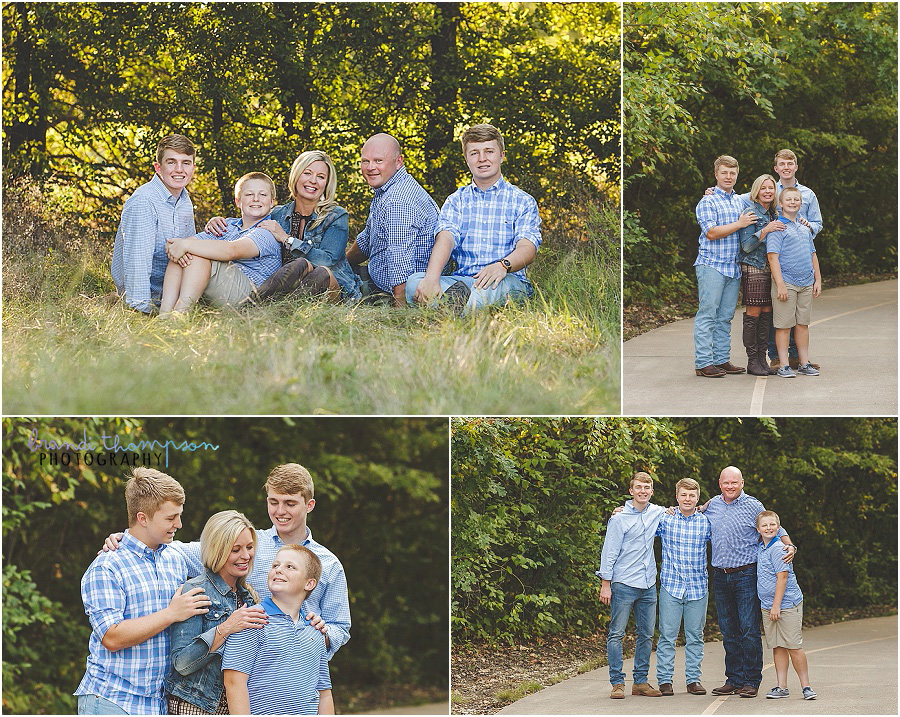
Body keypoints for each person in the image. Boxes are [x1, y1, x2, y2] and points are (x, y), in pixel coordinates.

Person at [102, 463, 350, 660]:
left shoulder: (328, 564)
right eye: (273, 502)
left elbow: (341, 627)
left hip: (298, 674)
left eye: (290, 503)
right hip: (241, 678)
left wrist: (324, 632)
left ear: (310, 505)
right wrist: (126, 538)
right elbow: (174, 550)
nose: (280, 511)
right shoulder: (247, 545)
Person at [74, 468, 212, 715]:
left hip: (157, 704)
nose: (178, 524)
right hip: (111, 700)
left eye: (179, 516)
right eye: (171, 518)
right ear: (143, 518)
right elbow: (112, 637)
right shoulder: (107, 566)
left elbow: (229, 550)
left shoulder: (176, 557)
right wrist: (171, 614)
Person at [406, 124, 542, 314]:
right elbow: (445, 239)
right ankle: (459, 307)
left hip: (507, 281)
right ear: (466, 159)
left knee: (481, 296)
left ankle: (448, 309)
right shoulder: (456, 200)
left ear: (501, 155)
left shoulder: (522, 201)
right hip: (464, 280)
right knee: (414, 284)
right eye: (474, 153)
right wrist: (432, 278)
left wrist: (503, 266)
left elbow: (528, 249)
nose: (482, 159)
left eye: (489, 151)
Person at [206, 151, 362, 302]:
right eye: (307, 173)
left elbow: (328, 260)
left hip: (333, 288)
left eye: (320, 177)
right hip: (286, 286)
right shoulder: (278, 214)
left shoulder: (336, 216)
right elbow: (249, 224)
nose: (313, 181)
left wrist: (287, 239)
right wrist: (222, 222)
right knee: (300, 264)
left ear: (327, 183)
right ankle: (257, 308)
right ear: (296, 175)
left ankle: (278, 311)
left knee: (318, 270)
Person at [705, 466, 796, 699]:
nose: (730, 486)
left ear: (742, 483)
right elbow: (689, 510)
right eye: (726, 483)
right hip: (720, 575)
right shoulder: (712, 504)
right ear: (719, 483)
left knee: (748, 629)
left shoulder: (753, 505)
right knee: (728, 629)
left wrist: (790, 545)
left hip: (746, 574)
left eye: (734, 482)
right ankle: (733, 679)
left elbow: (775, 525)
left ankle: (751, 680)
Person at [165, 511, 269, 715]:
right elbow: (182, 664)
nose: (246, 556)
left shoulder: (248, 597)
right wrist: (227, 627)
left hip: (234, 707)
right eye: (236, 550)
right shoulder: (196, 591)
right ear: (218, 550)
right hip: (195, 706)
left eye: (249, 547)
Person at [222, 545, 334, 715]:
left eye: (290, 567)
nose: (279, 570)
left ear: (309, 583)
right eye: (275, 565)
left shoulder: (315, 631)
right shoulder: (251, 620)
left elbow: (324, 693)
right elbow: (233, 683)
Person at [159, 172, 282, 314]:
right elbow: (187, 243)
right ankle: (164, 314)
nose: (256, 199)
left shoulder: (267, 231)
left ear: (272, 201)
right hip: (223, 287)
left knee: (195, 253)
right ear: (238, 201)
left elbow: (232, 251)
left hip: (248, 296)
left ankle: (180, 314)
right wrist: (174, 245)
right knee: (183, 254)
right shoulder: (228, 225)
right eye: (249, 194)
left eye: (263, 195)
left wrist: (184, 245)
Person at [346, 133, 440, 306]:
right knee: (334, 272)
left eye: (378, 161)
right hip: (379, 278)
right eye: (365, 161)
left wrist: (399, 313)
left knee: (330, 285)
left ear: (398, 162)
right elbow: (368, 239)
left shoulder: (397, 201)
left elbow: (399, 260)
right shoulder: (387, 188)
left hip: (395, 292)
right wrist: (343, 262)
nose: (370, 167)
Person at [596, 472, 665, 699]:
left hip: (647, 584)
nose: (643, 491)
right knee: (616, 633)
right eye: (638, 487)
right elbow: (609, 552)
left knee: (646, 634)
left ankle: (640, 682)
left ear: (651, 491)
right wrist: (606, 584)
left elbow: (685, 509)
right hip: (623, 583)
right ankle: (617, 683)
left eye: (647, 487)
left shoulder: (657, 512)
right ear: (631, 491)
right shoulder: (619, 518)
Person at [111, 134, 197, 313]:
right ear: (158, 167)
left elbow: (189, 251)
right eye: (171, 162)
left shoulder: (183, 199)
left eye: (186, 163)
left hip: (173, 294)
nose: (179, 169)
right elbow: (137, 264)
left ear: (193, 168)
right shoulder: (144, 201)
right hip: (150, 298)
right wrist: (142, 310)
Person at [693, 155, 757, 378]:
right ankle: (703, 363)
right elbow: (711, 232)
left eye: (732, 173)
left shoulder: (740, 201)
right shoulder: (707, 202)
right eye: (724, 173)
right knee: (708, 314)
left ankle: (721, 359)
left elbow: (766, 191)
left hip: (733, 267)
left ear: (737, 175)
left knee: (725, 317)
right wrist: (739, 224)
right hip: (711, 265)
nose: (728, 177)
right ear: (716, 175)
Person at [655, 478, 711, 697]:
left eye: (692, 496)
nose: (687, 499)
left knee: (695, 636)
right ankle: (665, 680)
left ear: (697, 498)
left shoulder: (706, 522)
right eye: (684, 495)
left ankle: (693, 680)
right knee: (667, 635)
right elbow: (641, 520)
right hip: (671, 586)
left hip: (698, 588)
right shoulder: (664, 520)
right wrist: (621, 510)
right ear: (676, 496)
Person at [755, 511, 816, 700]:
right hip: (768, 605)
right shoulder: (761, 547)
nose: (768, 528)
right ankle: (781, 686)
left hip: (786, 604)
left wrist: (776, 606)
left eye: (772, 525)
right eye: (764, 525)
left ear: (778, 527)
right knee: (778, 645)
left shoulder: (779, 548)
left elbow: (782, 578)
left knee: (792, 645)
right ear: (758, 529)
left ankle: (806, 686)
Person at [766, 186, 822, 378]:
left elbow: (813, 254)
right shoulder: (777, 228)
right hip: (786, 282)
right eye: (788, 199)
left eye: (796, 200)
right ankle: (783, 365)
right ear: (780, 204)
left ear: (801, 203)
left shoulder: (804, 228)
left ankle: (804, 363)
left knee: (802, 324)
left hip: (806, 282)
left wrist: (818, 279)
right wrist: (780, 284)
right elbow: (773, 258)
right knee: (783, 325)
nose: (792, 202)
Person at [737, 174, 784, 376]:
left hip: (769, 268)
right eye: (763, 188)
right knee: (753, 315)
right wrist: (765, 230)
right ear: (756, 191)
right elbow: (746, 246)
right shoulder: (751, 212)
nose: (767, 191)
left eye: (771, 188)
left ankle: (762, 360)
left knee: (766, 314)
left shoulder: (773, 213)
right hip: (753, 267)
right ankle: (752, 361)